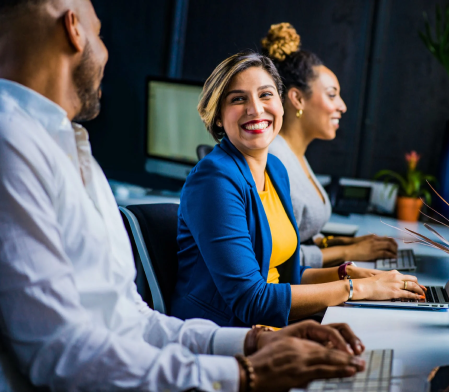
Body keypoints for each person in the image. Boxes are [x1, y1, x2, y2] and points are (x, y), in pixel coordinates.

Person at [0, 1, 368, 391]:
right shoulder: (13, 143)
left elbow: (131, 321)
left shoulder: (68, 145)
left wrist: (255, 343)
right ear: (74, 30)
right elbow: (61, 354)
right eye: (100, 33)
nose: (105, 52)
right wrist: (245, 373)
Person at [172, 51, 426, 328]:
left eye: (266, 95)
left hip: (272, 328)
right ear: (219, 117)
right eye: (238, 99)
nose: (256, 109)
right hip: (224, 336)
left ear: (281, 104)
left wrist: (350, 274)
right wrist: (357, 289)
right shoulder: (214, 180)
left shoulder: (276, 170)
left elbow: (285, 277)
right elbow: (251, 300)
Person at [263, 22, 400, 269]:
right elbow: (277, 259)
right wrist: (349, 251)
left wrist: (345, 242)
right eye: (331, 94)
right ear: (297, 98)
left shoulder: (295, 155)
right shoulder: (274, 160)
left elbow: (299, 236)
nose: (342, 106)